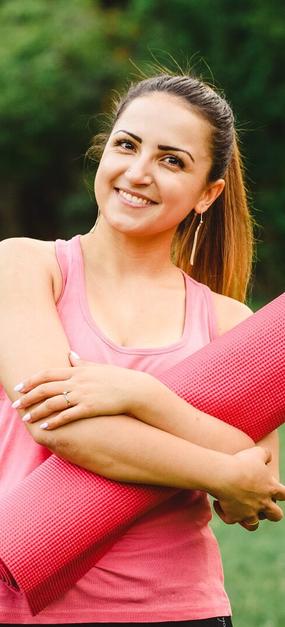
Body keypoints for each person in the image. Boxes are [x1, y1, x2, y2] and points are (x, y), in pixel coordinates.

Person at [0, 72, 284, 626]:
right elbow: (55, 422)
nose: (138, 172)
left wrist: (141, 396)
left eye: (171, 160)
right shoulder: (24, 266)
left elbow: (251, 484)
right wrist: (219, 470)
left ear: (208, 193)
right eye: (127, 145)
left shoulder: (229, 321)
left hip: (179, 609)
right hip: (22, 606)